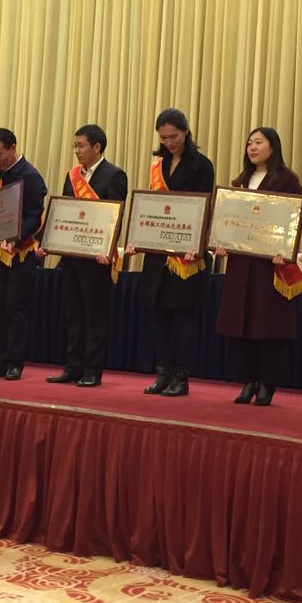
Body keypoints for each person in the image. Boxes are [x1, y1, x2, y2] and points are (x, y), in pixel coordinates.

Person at [214, 127, 302, 406]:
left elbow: (292, 220)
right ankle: (247, 381)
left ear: (273, 147)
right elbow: (227, 222)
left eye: (259, 143)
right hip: (241, 264)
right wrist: (221, 241)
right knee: (242, 322)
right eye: (249, 143)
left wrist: (285, 250)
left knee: (267, 323)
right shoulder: (240, 181)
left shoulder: (287, 180)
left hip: (270, 266)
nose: (252, 148)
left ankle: (267, 383)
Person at [128, 108, 215, 397]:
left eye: (173, 137)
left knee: (183, 318)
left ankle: (181, 376)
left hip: (186, 254)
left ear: (186, 132)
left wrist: (196, 245)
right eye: (163, 138)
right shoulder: (158, 165)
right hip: (158, 254)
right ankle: (162, 373)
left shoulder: (201, 165)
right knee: (160, 316)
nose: (168, 142)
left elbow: (204, 206)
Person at [40, 124, 128, 388]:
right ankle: (72, 367)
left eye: (81, 145)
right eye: (74, 146)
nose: (76, 151)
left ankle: (92, 370)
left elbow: (116, 216)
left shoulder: (114, 175)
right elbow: (64, 212)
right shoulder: (73, 176)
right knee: (73, 314)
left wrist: (107, 249)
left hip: (96, 260)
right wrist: (47, 241)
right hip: (71, 257)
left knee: (94, 316)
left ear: (97, 147)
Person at [0, 128, 48, 381]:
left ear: (13, 147)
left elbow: (34, 218)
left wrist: (15, 238)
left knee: (16, 308)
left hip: (21, 253)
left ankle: (16, 363)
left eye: (0, 154)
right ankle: (1, 361)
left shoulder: (31, 176)